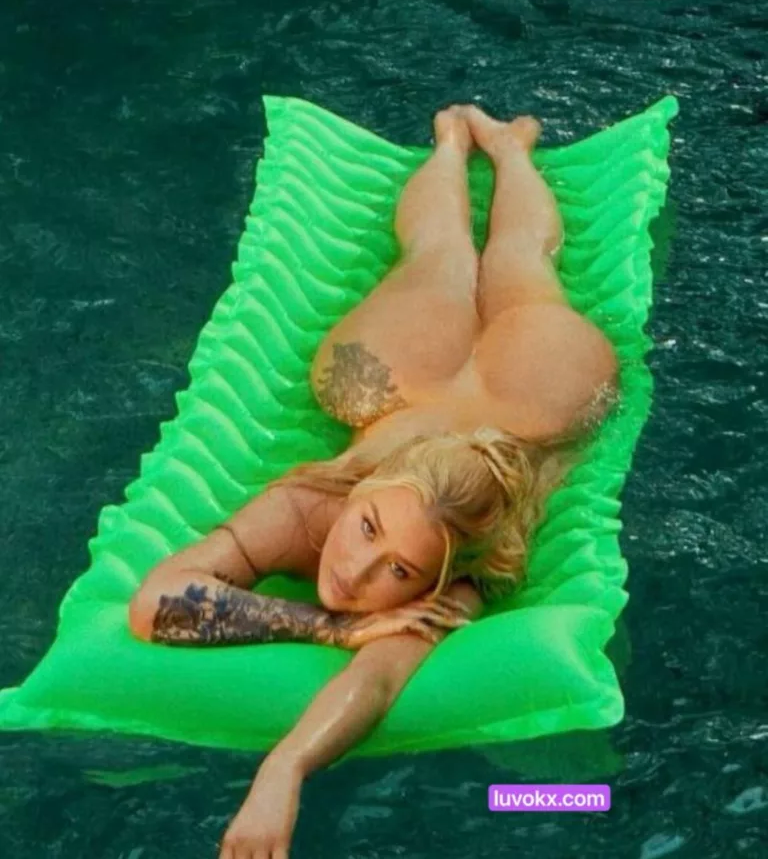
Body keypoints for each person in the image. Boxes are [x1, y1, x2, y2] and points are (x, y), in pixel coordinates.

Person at [128, 103, 619, 858]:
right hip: (400, 382)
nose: (354, 573)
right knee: (438, 257)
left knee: (522, 263)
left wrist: (284, 768)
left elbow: (382, 680)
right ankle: (450, 143)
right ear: (358, 492)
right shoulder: (309, 506)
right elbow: (152, 604)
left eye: (399, 572)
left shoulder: (462, 565)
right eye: (368, 528)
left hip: (532, 393)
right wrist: (331, 627)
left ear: (438, 577)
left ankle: (511, 148)